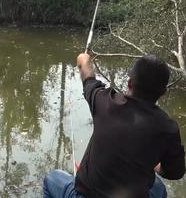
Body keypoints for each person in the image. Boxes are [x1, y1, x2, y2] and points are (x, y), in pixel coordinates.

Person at [43, 54, 185, 198]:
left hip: (86, 195)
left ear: (129, 82)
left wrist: (83, 60)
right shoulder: (168, 128)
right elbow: (176, 172)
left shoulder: (105, 102)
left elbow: (88, 78)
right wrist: (155, 165)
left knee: (51, 179)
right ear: (163, 93)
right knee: (158, 188)